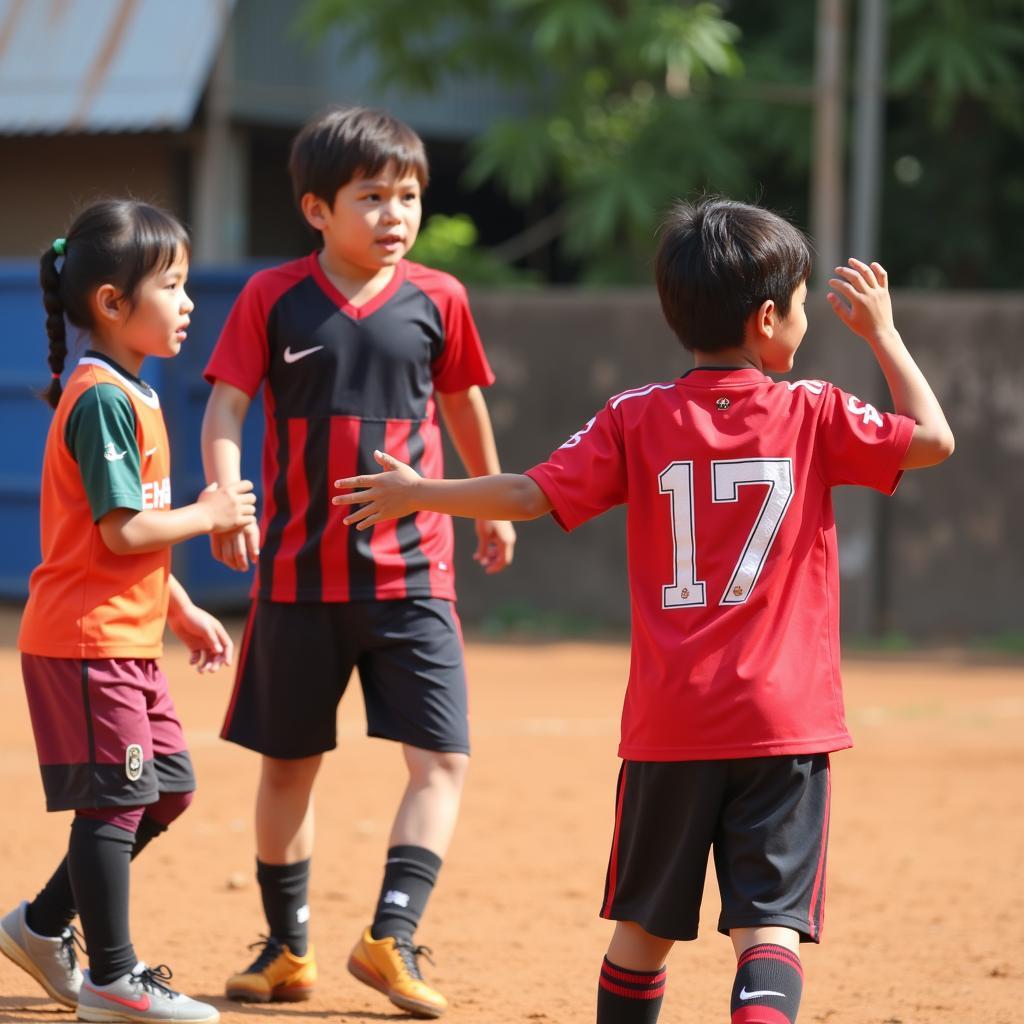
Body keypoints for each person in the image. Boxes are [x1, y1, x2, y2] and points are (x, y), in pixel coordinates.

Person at [332, 197, 955, 1024]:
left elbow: (527, 493)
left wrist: (422, 491)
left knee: (641, 933)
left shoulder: (636, 416)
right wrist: (882, 333)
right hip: (785, 722)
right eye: (802, 306)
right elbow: (933, 437)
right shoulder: (812, 411)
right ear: (769, 319)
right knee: (768, 929)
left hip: (673, 722)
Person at [201, 106, 515, 1018]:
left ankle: (393, 936)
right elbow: (225, 410)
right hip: (298, 576)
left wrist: (491, 503)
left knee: (442, 760)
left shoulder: (440, 298)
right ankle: (285, 950)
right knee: (288, 766)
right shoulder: (271, 298)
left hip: (415, 574)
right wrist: (226, 500)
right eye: (371, 197)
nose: (393, 214)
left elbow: (461, 406)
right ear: (315, 209)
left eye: (407, 196)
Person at [0, 200, 258, 1024]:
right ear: (112, 303)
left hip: (125, 640)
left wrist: (176, 606)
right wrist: (214, 514)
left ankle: (42, 927)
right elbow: (124, 529)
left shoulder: (132, 393)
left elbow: (124, 531)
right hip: (85, 643)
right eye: (173, 286)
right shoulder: (101, 398)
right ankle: (112, 978)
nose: (187, 303)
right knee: (116, 801)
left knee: (166, 789)